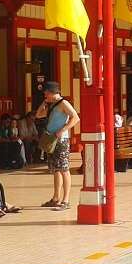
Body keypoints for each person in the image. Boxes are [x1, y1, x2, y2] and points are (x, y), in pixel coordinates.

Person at [35, 81, 80, 211]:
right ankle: (56, 198)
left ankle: (65, 200)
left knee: (64, 168)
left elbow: (75, 118)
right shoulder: (51, 105)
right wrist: (43, 104)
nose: (45, 94)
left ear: (52, 92)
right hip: (51, 138)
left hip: (61, 139)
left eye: (46, 92)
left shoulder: (64, 103)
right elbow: (38, 115)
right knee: (56, 169)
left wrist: (63, 130)